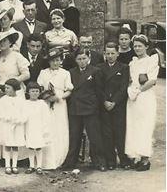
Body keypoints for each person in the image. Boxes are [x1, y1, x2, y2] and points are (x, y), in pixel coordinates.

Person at [0, 31, 30, 162]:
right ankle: (1, 156)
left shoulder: (17, 56)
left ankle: (19, 157)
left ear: (10, 42)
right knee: (2, 121)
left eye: (4, 41)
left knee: (15, 121)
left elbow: (26, 74)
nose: (1, 44)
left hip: (15, 91)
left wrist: (13, 83)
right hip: (1, 91)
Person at [62, 50, 107, 171]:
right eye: (79, 59)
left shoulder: (95, 71)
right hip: (75, 108)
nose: (82, 62)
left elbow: (99, 91)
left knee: (95, 136)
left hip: (90, 108)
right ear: (75, 60)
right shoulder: (70, 72)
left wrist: (97, 106)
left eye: (84, 58)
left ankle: (99, 162)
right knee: (74, 136)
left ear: (89, 58)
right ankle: (71, 162)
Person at [125, 34, 159, 171]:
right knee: (133, 126)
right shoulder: (132, 63)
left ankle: (145, 159)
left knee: (145, 126)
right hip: (133, 98)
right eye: (135, 46)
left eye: (140, 46)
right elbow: (130, 80)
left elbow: (152, 81)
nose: (137, 48)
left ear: (146, 46)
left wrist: (138, 91)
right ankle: (135, 156)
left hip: (145, 96)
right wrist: (131, 91)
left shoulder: (151, 60)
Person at [37, 47, 73, 170]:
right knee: (48, 128)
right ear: (49, 61)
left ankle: (59, 158)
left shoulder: (65, 73)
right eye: (53, 61)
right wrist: (47, 97)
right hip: (46, 104)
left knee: (59, 128)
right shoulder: (43, 73)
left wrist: (59, 97)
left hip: (60, 104)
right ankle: (46, 161)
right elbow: (40, 89)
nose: (55, 63)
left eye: (58, 60)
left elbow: (69, 90)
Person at [96, 42, 130, 170]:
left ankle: (123, 159)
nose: (110, 56)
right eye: (107, 53)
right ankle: (110, 160)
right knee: (107, 134)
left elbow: (123, 87)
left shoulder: (124, 67)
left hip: (118, 105)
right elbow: (98, 87)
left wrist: (114, 102)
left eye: (112, 53)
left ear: (117, 54)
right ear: (104, 54)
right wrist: (105, 101)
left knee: (120, 133)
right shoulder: (99, 68)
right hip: (104, 106)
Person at [0, 78, 27, 175]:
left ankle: (14, 165)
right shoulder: (3, 100)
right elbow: (0, 112)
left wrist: (19, 120)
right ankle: (7, 165)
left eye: (8, 88)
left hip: (17, 126)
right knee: (8, 144)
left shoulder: (21, 100)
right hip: (7, 125)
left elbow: (24, 113)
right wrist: (8, 118)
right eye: (5, 88)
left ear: (14, 89)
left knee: (15, 145)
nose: (6, 90)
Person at [24, 82, 50, 174]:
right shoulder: (25, 103)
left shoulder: (42, 104)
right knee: (30, 147)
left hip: (39, 128)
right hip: (29, 127)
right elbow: (23, 116)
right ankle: (31, 166)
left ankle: (39, 166)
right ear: (28, 92)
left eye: (36, 91)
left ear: (39, 93)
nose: (34, 93)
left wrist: (45, 129)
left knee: (38, 147)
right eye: (32, 91)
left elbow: (46, 117)